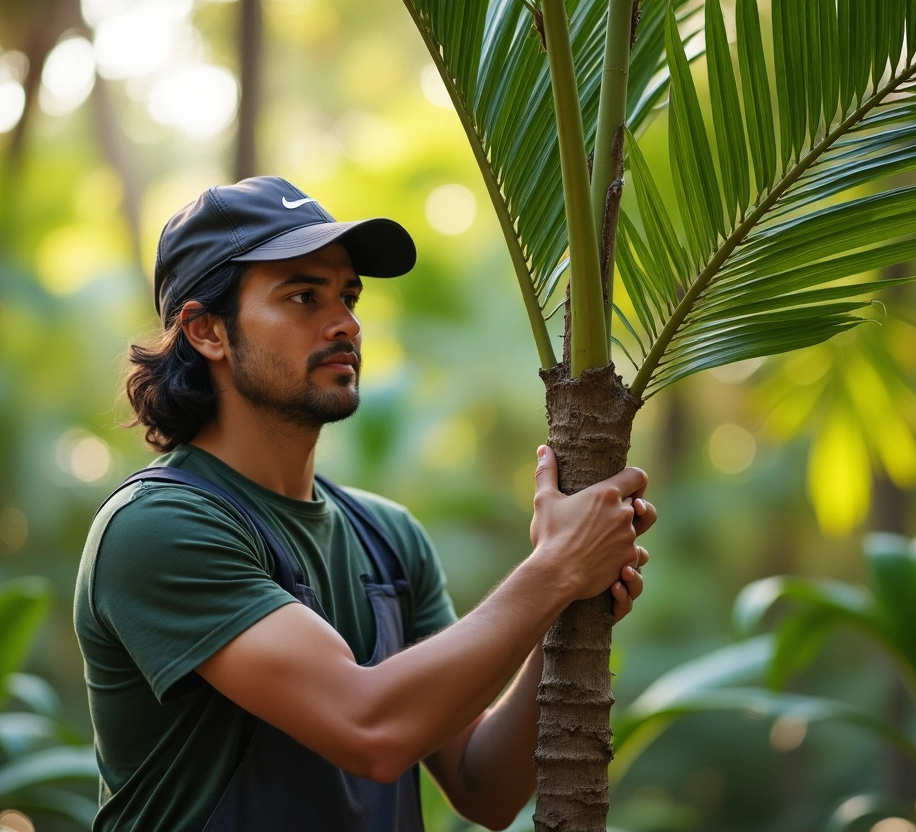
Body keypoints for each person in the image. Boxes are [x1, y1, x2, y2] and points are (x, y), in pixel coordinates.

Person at [73, 176, 654, 831]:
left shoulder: (389, 538)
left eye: (348, 296)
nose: (345, 323)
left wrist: (566, 602)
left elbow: (483, 788)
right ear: (207, 330)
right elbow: (369, 727)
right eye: (302, 296)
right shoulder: (157, 527)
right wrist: (554, 569)